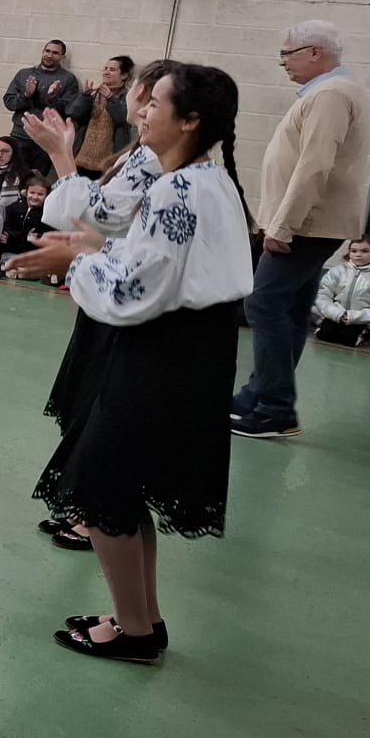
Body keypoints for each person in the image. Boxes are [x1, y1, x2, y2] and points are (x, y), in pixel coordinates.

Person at [22, 62, 255, 664]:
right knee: (122, 490)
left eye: (156, 103)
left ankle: (134, 630)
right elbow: (140, 258)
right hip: (183, 347)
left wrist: (75, 261)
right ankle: (141, 618)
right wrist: (92, 248)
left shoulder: (180, 188)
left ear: (190, 121)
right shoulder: (197, 178)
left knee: (103, 490)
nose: (143, 111)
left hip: (165, 351)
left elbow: (135, 292)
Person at [9, 59, 172, 552]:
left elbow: (94, 214)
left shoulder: (157, 162)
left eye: (149, 99)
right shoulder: (139, 153)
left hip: (124, 291)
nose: (141, 108)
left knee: (103, 408)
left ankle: (95, 511)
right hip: (108, 284)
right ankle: (86, 505)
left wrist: (61, 155)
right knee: (88, 401)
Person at [231, 20, 370, 439]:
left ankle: (275, 408)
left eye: (287, 53)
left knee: (262, 303)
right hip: (314, 223)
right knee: (290, 308)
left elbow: (314, 165)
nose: (282, 62)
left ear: (315, 52)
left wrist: (283, 225)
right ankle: (259, 394)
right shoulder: (330, 91)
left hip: (307, 224)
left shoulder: (330, 94)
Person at [1, 38, 78, 175]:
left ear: (62, 56)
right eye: (47, 51)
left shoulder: (68, 79)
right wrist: (26, 95)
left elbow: (69, 110)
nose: (49, 55)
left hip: (46, 140)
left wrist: (52, 98)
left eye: (55, 53)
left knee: (38, 180)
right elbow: (9, 102)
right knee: (13, 176)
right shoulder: (24, 74)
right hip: (20, 136)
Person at [312, 235, 370, 347]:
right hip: (338, 316)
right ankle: (322, 325)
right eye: (354, 251)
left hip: (364, 320)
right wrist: (337, 313)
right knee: (324, 334)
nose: (358, 254)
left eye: (364, 251)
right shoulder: (337, 271)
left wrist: (354, 316)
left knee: (349, 339)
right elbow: (322, 294)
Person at [66, 54, 135, 179]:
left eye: (112, 70)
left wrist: (111, 98)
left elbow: (123, 119)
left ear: (124, 75)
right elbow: (75, 115)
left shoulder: (129, 96)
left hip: (108, 162)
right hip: (81, 157)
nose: (106, 72)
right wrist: (85, 97)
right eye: (105, 68)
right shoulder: (94, 93)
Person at [0, 174, 52, 263]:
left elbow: (41, 236)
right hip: (8, 251)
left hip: (31, 254)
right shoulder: (13, 207)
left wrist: (21, 237)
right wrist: (6, 235)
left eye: (40, 194)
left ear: (47, 195)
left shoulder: (47, 214)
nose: (35, 197)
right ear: (26, 192)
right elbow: (6, 227)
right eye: (32, 193)